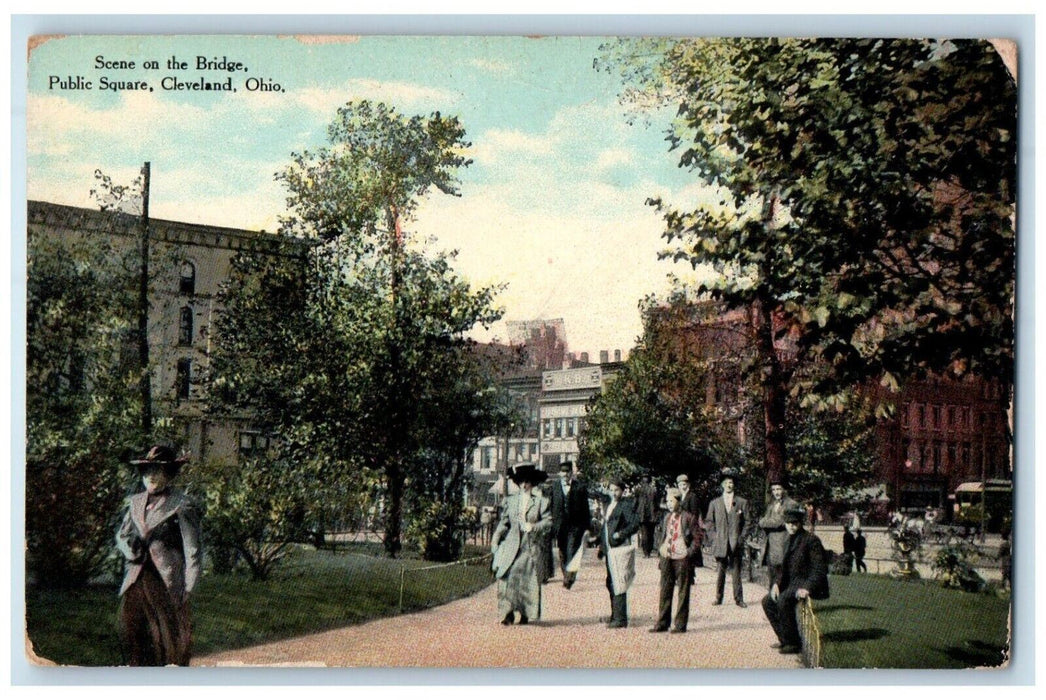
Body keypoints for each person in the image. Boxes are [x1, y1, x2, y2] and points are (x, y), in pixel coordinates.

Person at [115, 444, 202, 666]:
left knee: (166, 637)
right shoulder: (135, 502)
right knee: (131, 627)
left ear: (170, 475)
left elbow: (192, 549)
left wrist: (189, 587)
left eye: (158, 471)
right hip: (137, 577)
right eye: (147, 471)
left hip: (166, 580)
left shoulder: (181, 505)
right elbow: (122, 535)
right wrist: (129, 550)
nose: (151, 476)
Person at [761, 506, 829, 654]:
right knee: (767, 602)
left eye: (795, 523)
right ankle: (784, 639)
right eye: (788, 523)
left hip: (805, 582)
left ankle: (793, 643)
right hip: (791, 582)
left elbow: (819, 569)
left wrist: (807, 588)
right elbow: (782, 569)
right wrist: (776, 585)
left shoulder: (811, 540)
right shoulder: (788, 540)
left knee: (784, 600)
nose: (791, 526)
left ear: (800, 523)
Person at [491, 463, 553, 625]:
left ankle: (525, 613)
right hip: (512, 546)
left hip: (530, 547)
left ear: (532, 483)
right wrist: (496, 538)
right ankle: (507, 613)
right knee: (508, 578)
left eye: (527, 482)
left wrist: (533, 527)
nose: (524, 485)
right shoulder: (510, 501)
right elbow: (504, 523)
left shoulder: (541, 502)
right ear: (517, 483)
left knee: (527, 579)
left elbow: (548, 523)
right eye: (521, 482)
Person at [649, 488, 700, 634]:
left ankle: (680, 625)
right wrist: (661, 548)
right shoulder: (667, 517)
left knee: (683, 591)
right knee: (665, 589)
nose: (669, 504)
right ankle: (662, 623)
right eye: (667, 501)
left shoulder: (688, 517)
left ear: (679, 501)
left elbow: (697, 538)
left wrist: (688, 553)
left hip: (682, 558)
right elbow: (663, 535)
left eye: (672, 501)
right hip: (667, 556)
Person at [595, 479, 641, 628]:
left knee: (619, 582)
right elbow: (605, 528)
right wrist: (602, 546)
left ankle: (620, 619)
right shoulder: (609, 505)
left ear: (622, 491)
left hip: (619, 548)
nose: (614, 493)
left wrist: (621, 534)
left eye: (617, 490)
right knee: (610, 582)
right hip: (609, 549)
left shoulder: (625, 505)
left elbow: (634, 524)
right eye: (612, 490)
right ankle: (614, 614)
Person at [705, 469, 749, 607]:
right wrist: (714, 537)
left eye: (731, 482)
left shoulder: (742, 502)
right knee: (721, 571)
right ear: (722, 485)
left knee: (736, 571)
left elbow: (748, 522)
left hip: (736, 542)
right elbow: (709, 522)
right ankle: (718, 597)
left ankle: (739, 599)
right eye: (727, 482)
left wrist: (742, 538)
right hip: (721, 541)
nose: (729, 485)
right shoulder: (715, 503)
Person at [549, 461, 591, 589]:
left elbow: (585, 508)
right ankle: (567, 574)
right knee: (562, 552)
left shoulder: (580, 487)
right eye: (563, 472)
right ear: (559, 473)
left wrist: (587, 527)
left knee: (572, 550)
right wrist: (551, 524)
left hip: (575, 525)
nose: (565, 474)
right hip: (560, 525)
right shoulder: (554, 487)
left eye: (567, 472)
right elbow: (551, 506)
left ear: (571, 473)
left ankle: (569, 577)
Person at [758, 477, 799, 588]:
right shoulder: (772, 505)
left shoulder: (791, 504)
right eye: (774, 490)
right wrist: (764, 522)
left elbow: (780, 521)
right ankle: (773, 604)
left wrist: (764, 522)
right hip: (771, 548)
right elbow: (762, 522)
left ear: (784, 490)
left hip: (784, 547)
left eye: (779, 489)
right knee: (772, 583)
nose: (776, 492)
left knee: (784, 582)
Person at [676, 473, 704, 570]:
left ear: (688, 485)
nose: (682, 487)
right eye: (680, 485)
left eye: (684, 484)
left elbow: (694, 513)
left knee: (690, 549)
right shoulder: (680, 497)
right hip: (682, 525)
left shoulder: (692, 497)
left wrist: (691, 528)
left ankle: (690, 575)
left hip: (690, 526)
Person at [635, 475, 659, 558]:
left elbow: (635, 502)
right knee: (651, 533)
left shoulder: (638, 490)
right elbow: (657, 503)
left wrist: (634, 511)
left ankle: (646, 553)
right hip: (652, 515)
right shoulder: (654, 490)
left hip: (642, 515)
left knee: (644, 533)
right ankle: (649, 550)